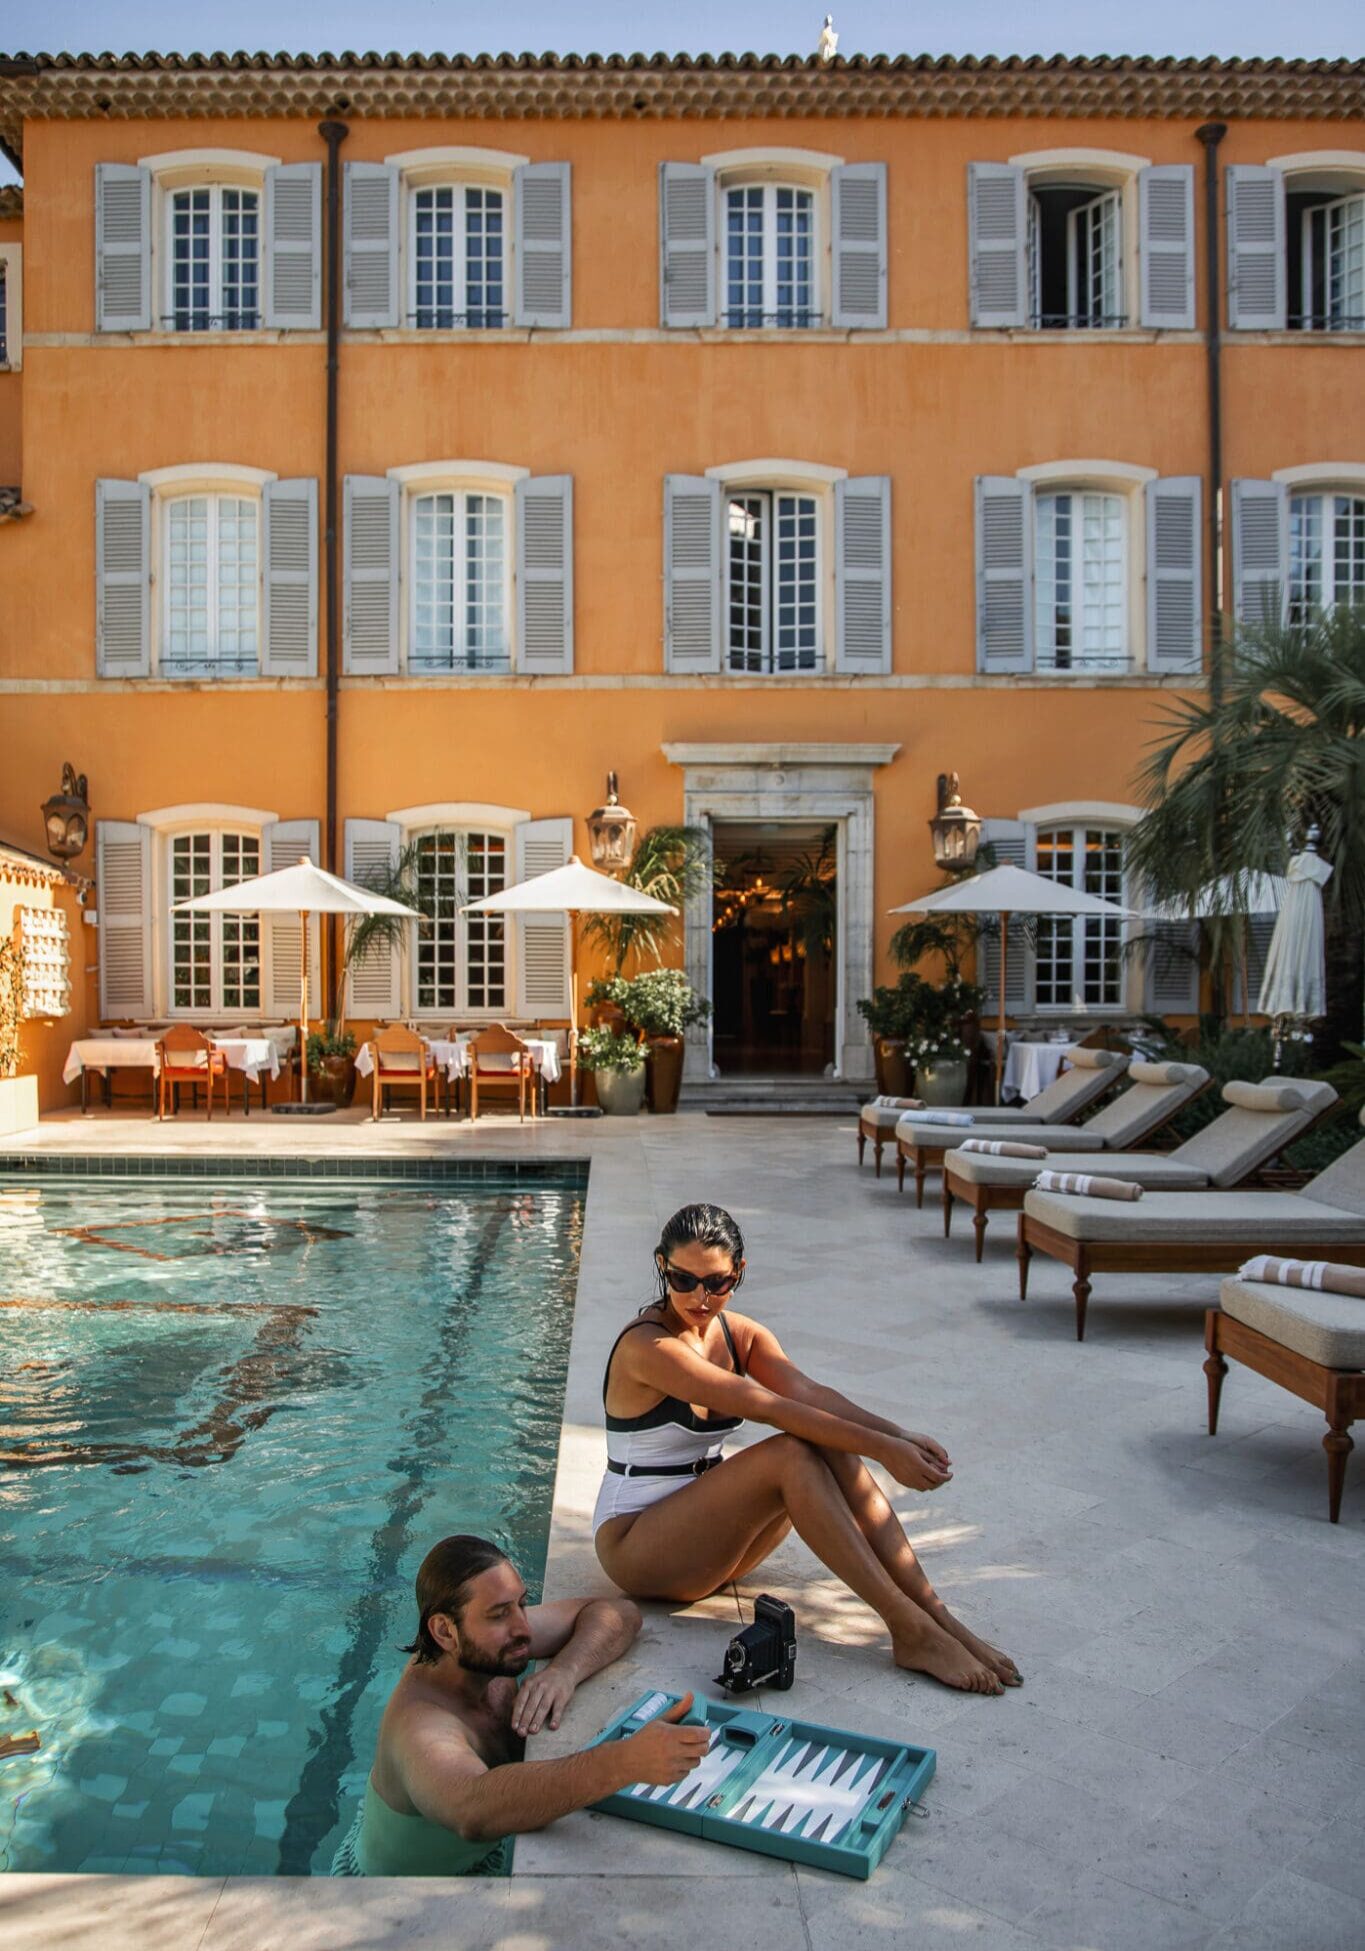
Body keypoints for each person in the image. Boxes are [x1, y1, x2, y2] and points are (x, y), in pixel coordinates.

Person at [593, 1204, 1020, 1697]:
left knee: (824, 1436)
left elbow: (810, 1396)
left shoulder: (739, 1333)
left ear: (739, 1273)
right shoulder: (649, 1348)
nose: (699, 1297)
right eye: (683, 1279)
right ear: (662, 1266)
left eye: (717, 1283)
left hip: (706, 1544)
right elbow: (769, 1407)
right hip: (639, 1547)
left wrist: (899, 1436)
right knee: (790, 1453)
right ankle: (909, 1628)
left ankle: (937, 1615)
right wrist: (884, 1451)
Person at [334, 1534, 709, 1875]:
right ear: (445, 1631)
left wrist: (565, 1670)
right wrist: (625, 1761)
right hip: (397, 1894)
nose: (523, 1628)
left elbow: (619, 1614)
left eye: (522, 1604)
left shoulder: (485, 1647)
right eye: (499, 1614)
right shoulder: (420, 1726)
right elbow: (472, 1810)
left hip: (463, 1855)